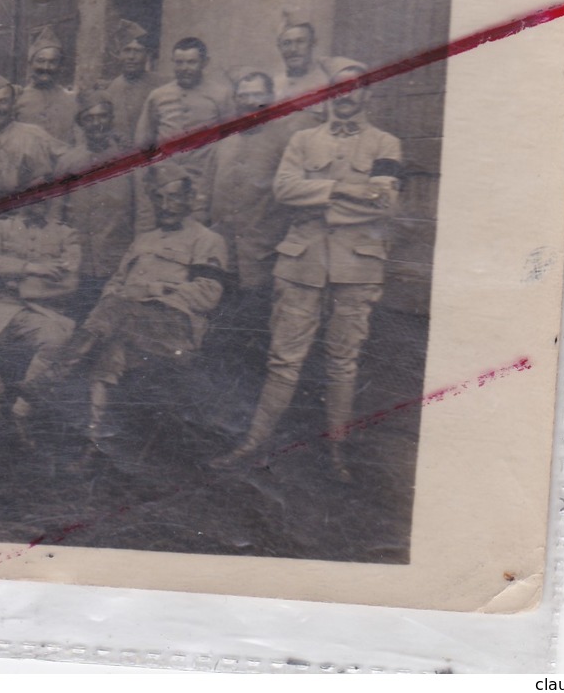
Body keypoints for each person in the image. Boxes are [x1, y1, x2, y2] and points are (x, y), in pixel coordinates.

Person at [212, 60, 402, 482]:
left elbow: (385, 203)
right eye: (339, 89)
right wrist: (345, 189)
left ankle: (337, 450)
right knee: (284, 359)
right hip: (302, 263)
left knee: (342, 361)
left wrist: (319, 200)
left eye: (355, 89)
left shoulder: (386, 145)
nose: (347, 96)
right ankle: (253, 443)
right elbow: (283, 190)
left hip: (357, 267)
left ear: (367, 95)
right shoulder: (301, 141)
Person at [44, 161, 228, 453]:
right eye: (159, 198)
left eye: (174, 198)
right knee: (112, 344)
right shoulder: (144, 240)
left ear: (189, 199)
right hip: (127, 324)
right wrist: (121, 298)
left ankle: (55, 375)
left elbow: (208, 295)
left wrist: (155, 291)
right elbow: (114, 285)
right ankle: (95, 441)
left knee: (117, 312)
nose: (166, 206)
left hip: (175, 329)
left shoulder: (207, 240)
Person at [0, 191, 81, 446]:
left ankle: (21, 412)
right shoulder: (2, 227)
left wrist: (19, 285)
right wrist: (30, 268)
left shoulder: (66, 235)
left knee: (57, 340)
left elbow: (69, 282)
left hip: (41, 312)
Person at [199, 71, 296, 313]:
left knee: (256, 326)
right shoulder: (223, 140)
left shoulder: (286, 141)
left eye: (258, 95)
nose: (250, 102)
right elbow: (205, 192)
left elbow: (295, 196)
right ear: (235, 99)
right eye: (244, 95)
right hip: (223, 255)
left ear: (271, 97)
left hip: (264, 256)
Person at [50, 89, 137, 318]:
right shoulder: (68, 163)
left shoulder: (128, 160)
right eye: (89, 118)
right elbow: (55, 215)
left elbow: (144, 214)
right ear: (81, 123)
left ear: (111, 119)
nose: (97, 123)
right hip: (77, 264)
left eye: (102, 117)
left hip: (117, 262)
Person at [134, 36, 225, 223]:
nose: (185, 68)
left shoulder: (221, 95)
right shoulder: (158, 96)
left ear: (205, 62)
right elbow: (143, 143)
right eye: (179, 62)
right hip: (164, 186)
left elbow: (230, 142)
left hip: (202, 186)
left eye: (192, 62)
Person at [0, 74, 63, 208]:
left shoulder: (33, 135)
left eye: (3, 101)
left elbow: (67, 159)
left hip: (23, 219)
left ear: (13, 104)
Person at [15, 25, 77, 145]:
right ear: (31, 64)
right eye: (41, 61)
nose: (46, 67)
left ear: (60, 67)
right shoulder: (18, 99)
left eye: (52, 62)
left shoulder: (71, 100)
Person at [102, 19, 158, 146]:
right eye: (126, 50)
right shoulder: (111, 89)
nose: (131, 57)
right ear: (119, 54)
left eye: (137, 51)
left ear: (147, 54)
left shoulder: (159, 86)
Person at [271, 16, 331, 126]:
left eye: (300, 42)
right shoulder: (273, 84)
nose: (293, 49)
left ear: (313, 44)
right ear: (279, 47)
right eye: (286, 43)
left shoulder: (327, 83)